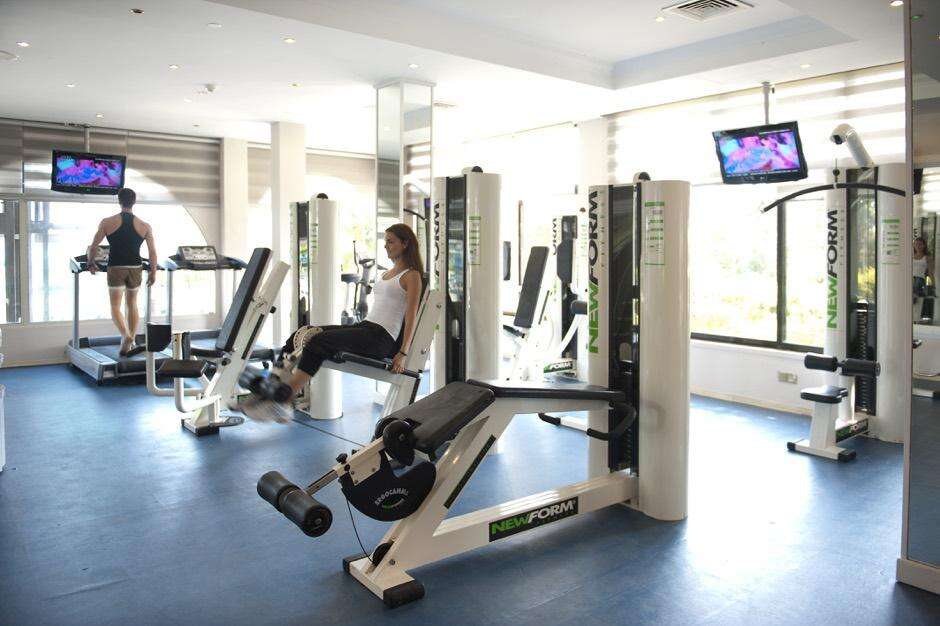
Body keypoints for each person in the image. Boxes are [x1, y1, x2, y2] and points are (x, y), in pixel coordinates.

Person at [242, 223, 424, 422]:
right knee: (303, 333)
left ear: (405, 243)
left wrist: (402, 353)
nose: (386, 246)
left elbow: (411, 315)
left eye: (391, 241)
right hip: (366, 327)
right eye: (385, 241)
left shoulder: (412, 275)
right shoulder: (386, 274)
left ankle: (284, 399)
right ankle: (271, 386)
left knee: (318, 341)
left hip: (381, 338)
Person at [87, 188, 158, 356]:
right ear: (134, 202)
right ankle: (130, 341)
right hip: (135, 267)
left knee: (115, 306)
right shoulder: (145, 226)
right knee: (132, 304)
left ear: (119, 201)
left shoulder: (107, 222)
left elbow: (94, 246)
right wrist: (153, 272)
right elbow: (153, 253)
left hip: (116, 267)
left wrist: (91, 262)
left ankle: (126, 336)